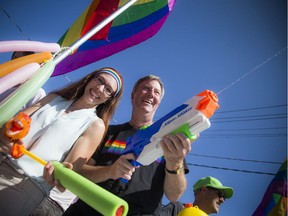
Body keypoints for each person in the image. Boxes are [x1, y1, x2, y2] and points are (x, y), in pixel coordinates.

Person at [61, 75, 193, 215]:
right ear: (133, 96)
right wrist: (110, 171)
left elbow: (174, 195)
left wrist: (175, 163)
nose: (150, 94)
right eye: (146, 88)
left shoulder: (168, 142)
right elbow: (78, 173)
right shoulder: (107, 132)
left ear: (158, 102)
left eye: (156, 92)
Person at [0, 67, 123, 216]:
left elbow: (69, 170)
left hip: (25, 185)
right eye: (100, 80)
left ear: (109, 99)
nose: (100, 88)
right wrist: (7, 133)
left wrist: (58, 174)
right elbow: (14, 123)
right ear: (91, 78)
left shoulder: (95, 125)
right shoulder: (53, 98)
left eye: (108, 89)